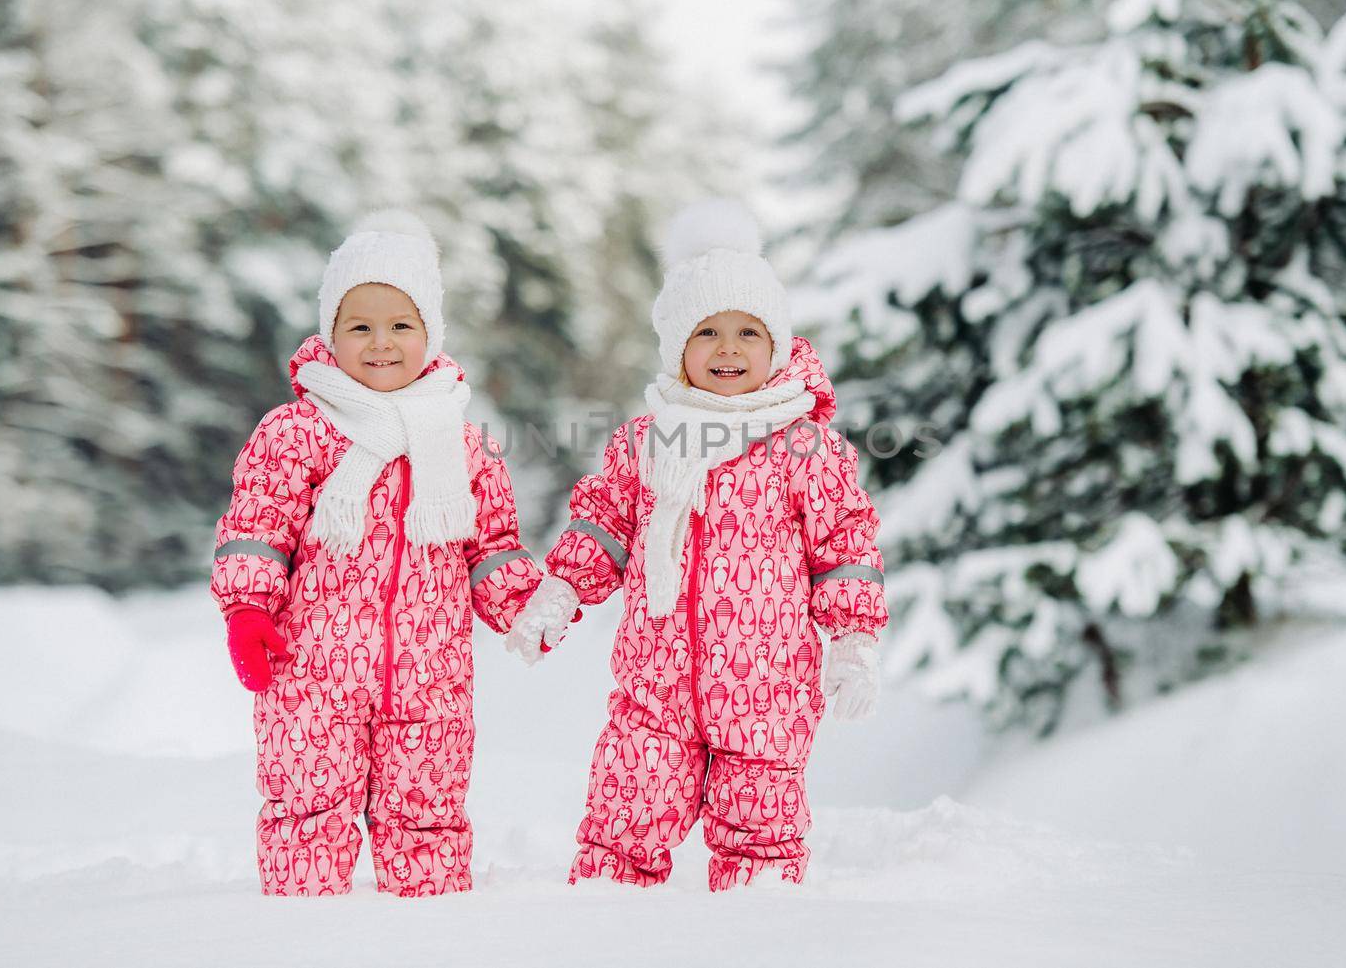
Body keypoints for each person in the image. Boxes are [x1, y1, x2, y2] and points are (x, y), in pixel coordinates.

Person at [508, 199, 888, 890]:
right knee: (620, 827)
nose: (729, 349)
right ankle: (601, 928)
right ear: (677, 347)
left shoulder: (805, 447)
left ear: (775, 345)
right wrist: (559, 592)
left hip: (766, 691)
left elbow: (844, 544)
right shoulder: (647, 442)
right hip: (654, 688)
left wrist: (853, 639)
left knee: (760, 842)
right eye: (707, 332)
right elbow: (604, 526)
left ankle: (753, 934)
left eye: (748, 332)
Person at [212, 210, 540, 896]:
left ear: (431, 335)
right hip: (311, 669)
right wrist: (247, 607)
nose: (381, 343)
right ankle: (302, 930)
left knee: (427, 813)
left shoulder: (461, 441)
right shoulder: (298, 431)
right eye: (360, 326)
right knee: (307, 805)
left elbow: (491, 545)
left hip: (430, 674)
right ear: (331, 334)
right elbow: (258, 523)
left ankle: (429, 935)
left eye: (401, 326)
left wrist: (521, 606)